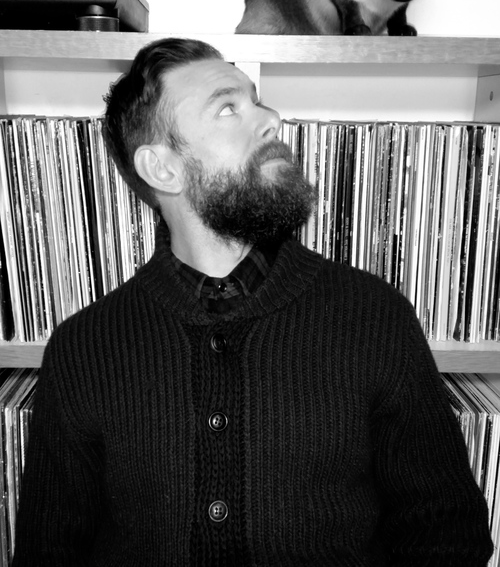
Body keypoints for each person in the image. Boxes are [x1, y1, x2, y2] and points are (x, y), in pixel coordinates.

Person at [13, 37, 493, 566]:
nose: (271, 119)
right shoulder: (84, 349)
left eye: (257, 101)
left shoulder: (374, 318)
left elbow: (447, 533)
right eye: (228, 108)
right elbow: (47, 551)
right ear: (162, 169)